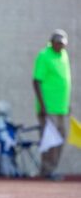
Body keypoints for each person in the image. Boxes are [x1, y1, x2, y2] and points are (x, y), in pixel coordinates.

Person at [33, 29, 71, 180]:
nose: (60, 46)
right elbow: (36, 81)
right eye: (57, 43)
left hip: (62, 108)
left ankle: (53, 168)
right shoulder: (44, 55)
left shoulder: (64, 55)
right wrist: (42, 106)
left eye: (62, 44)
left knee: (61, 139)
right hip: (48, 108)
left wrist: (67, 104)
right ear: (52, 42)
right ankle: (47, 170)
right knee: (50, 139)